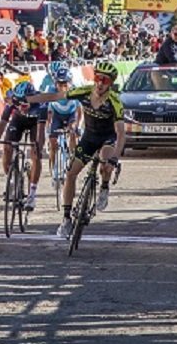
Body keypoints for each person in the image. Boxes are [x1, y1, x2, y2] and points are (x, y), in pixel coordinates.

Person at [38, 59, 126, 239]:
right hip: (89, 137)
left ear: (111, 83)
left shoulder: (115, 101)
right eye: (98, 78)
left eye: (106, 80)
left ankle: (104, 186)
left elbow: (121, 133)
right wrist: (30, 99)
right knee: (70, 174)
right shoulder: (84, 92)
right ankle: (66, 219)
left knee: (104, 163)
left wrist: (115, 157)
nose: (100, 83)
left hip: (108, 138)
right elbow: (57, 97)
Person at [0, 79, 49, 210]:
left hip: (35, 123)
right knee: (7, 147)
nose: (22, 106)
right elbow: (3, 123)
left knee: (35, 154)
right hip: (18, 121)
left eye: (25, 104)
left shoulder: (41, 103)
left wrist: (39, 147)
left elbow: (41, 129)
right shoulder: (12, 102)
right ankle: (12, 180)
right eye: (19, 104)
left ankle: (32, 194)